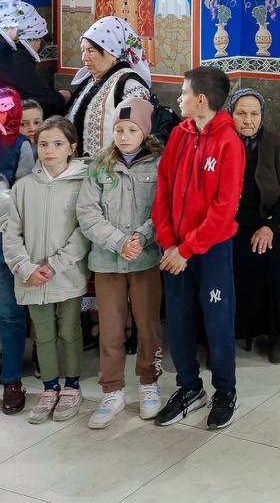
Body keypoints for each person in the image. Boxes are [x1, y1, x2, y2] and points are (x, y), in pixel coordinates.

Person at [151, 67, 244, 429]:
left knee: (217, 322)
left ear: (201, 100)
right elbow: (163, 190)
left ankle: (225, 391)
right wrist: (168, 242)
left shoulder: (229, 143)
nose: (179, 98)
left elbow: (224, 210)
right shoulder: (179, 134)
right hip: (174, 250)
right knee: (178, 321)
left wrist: (187, 249)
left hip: (210, 250)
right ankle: (189, 387)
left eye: (184, 93)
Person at [75, 98, 164, 427]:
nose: (124, 136)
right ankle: (112, 390)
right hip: (107, 261)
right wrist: (118, 242)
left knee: (148, 324)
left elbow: (163, 209)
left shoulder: (159, 164)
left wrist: (140, 238)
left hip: (145, 259)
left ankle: (149, 382)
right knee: (110, 328)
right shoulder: (100, 165)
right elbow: (87, 213)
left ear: (145, 132)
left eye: (132, 130)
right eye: (119, 130)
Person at [3, 117, 88, 425]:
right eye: (43, 144)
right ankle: (50, 388)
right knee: (43, 333)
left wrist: (54, 265)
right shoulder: (23, 187)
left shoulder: (83, 184)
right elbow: (11, 233)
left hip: (66, 273)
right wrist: (26, 268)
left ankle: (72, 386)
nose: (49, 150)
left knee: (69, 329)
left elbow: (83, 232)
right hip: (32, 277)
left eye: (57, 144)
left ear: (72, 148)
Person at [225, 90, 280, 364]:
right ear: (230, 115)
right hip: (227, 222)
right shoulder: (220, 142)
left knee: (273, 260)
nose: (248, 120)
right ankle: (224, 333)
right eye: (241, 113)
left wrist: (271, 225)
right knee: (224, 261)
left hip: (266, 220)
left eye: (254, 114)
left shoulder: (275, 143)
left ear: (262, 116)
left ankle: (279, 333)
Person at [64, 16, 152, 157]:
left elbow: (136, 136)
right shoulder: (90, 82)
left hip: (110, 167)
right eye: (83, 50)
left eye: (91, 50)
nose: (84, 57)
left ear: (113, 53)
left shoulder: (129, 85)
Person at [0, 86, 34, 415]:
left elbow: (22, 199)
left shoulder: (21, 146)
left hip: (5, 238)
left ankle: (12, 379)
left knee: (9, 312)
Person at [0, 0, 67, 116]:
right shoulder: (18, 56)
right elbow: (40, 98)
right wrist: (62, 97)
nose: (40, 44)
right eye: (39, 38)